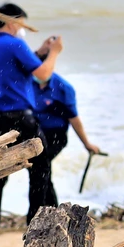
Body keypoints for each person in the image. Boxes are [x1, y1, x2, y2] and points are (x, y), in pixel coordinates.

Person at [0, 2, 63, 229]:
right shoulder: (16, 43)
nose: (23, 28)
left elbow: (15, 68)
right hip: (21, 116)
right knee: (41, 165)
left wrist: (40, 52)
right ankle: (35, 219)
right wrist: (54, 53)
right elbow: (44, 74)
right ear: (11, 22)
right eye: (22, 23)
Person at [32, 71, 101, 207]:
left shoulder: (63, 88)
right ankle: (51, 210)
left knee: (40, 169)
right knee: (41, 171)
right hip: (35, 134)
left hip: (55, 135)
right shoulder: (29, 82)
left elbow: (74, 119)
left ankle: (38, 213)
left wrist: (86, 143)